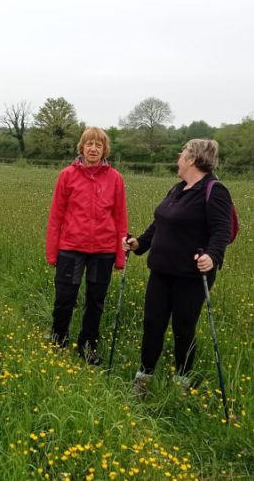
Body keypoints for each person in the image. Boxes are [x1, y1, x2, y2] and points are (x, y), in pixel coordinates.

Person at [122, 139, 232, 395]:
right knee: (152, 324)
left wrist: (213, 256)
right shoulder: (178, 188)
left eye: (181, 154)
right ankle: (144, 378)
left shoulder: (214, 190)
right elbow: (159, 223)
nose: (178, 158)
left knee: (183, 328)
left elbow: (221, 231)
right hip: (161, 272)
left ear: (192, 159)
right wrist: (139, 243)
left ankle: (181, 382)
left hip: (191, 276)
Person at [46, 127, 128, 364]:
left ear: (105, 150)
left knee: (96, 301)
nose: (93, 149)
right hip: (71, 247)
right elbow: (56, 216)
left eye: (98, 145)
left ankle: (88, 345)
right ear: (81, 147)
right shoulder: (67, 175)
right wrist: (52, 252)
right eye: (89, 144)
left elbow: (120, 217)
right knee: (65, 297)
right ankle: (58, 339)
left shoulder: (115, 178)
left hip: (103, 250)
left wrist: (120, 256)